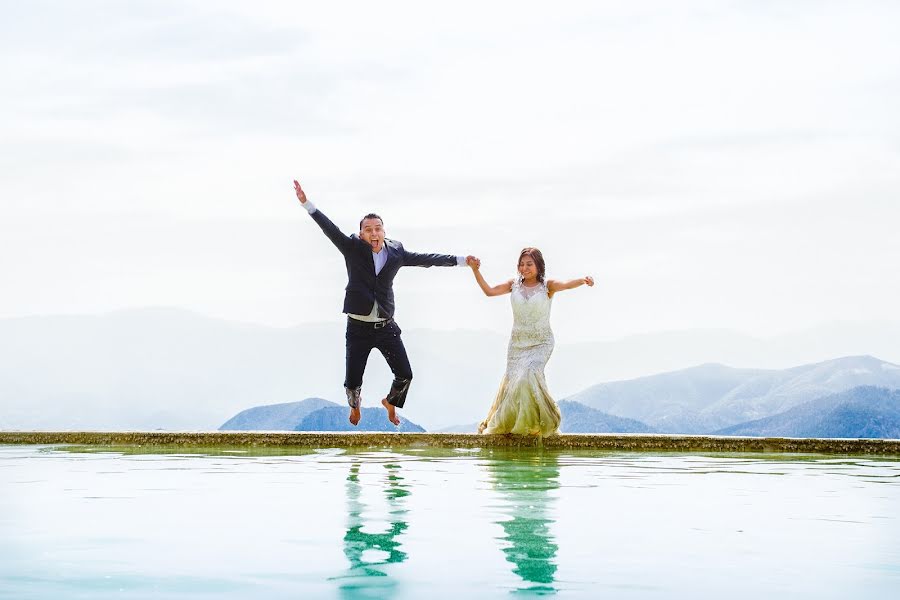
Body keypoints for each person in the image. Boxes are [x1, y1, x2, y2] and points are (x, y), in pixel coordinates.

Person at [293, 179, 476, 427]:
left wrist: (462, 260)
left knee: (405, 375)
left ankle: (390, 402)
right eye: (368, 229)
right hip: (357, 327)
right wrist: (307, 204)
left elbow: (426, 259)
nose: (374, 233)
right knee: (352, 382)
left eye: (378, 228)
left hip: (386, 326)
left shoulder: (396, 252)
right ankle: (355, 405)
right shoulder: (352, 248)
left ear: (384, 232)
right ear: (361, 234)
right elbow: (329, 229)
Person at [468, 248, 594, 435]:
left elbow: (566, 285)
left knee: (529, 375)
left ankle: (542, 422)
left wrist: (582, 281)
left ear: (538, 266)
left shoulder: (547, 286)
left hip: (541, 342)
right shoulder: (513, 284)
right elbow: (489, 291)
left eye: (529, 264)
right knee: (516, 383)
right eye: (521, 264)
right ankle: (515, 424)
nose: (524, 268)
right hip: (517, 345)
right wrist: (475, 270)